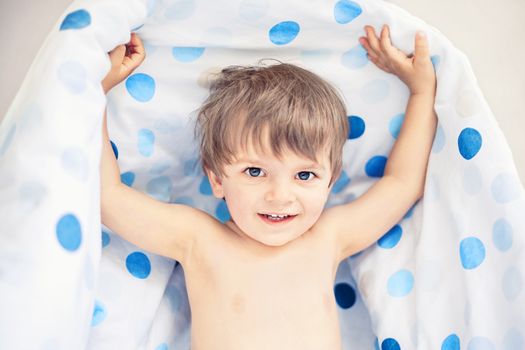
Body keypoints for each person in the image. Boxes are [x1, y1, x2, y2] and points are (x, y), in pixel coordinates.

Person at [100, 25, 437, 349]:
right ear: (217, 178)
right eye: (255, 171)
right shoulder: (199, 239)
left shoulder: (328, 237)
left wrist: (422, 92)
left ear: (330, 181)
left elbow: (403, 183)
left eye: (304, 176)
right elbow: (109, 198)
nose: (279, 196)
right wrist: (96, 94)